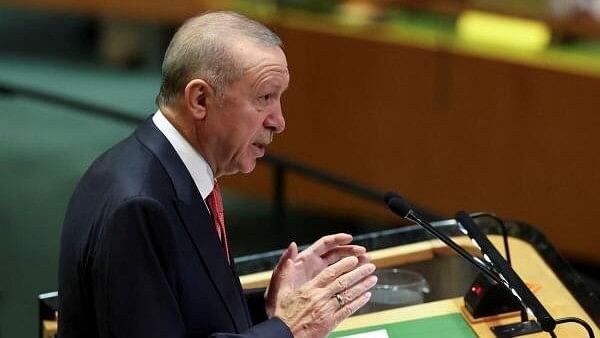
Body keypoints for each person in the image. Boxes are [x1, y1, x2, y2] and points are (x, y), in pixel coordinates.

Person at [58, 10, 377, 338]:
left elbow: (185, 313)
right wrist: (289, 329)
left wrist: (273, 308)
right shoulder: (138, 207)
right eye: (264, 97)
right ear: (200, 99)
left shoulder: (171, 171)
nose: (278, 121)